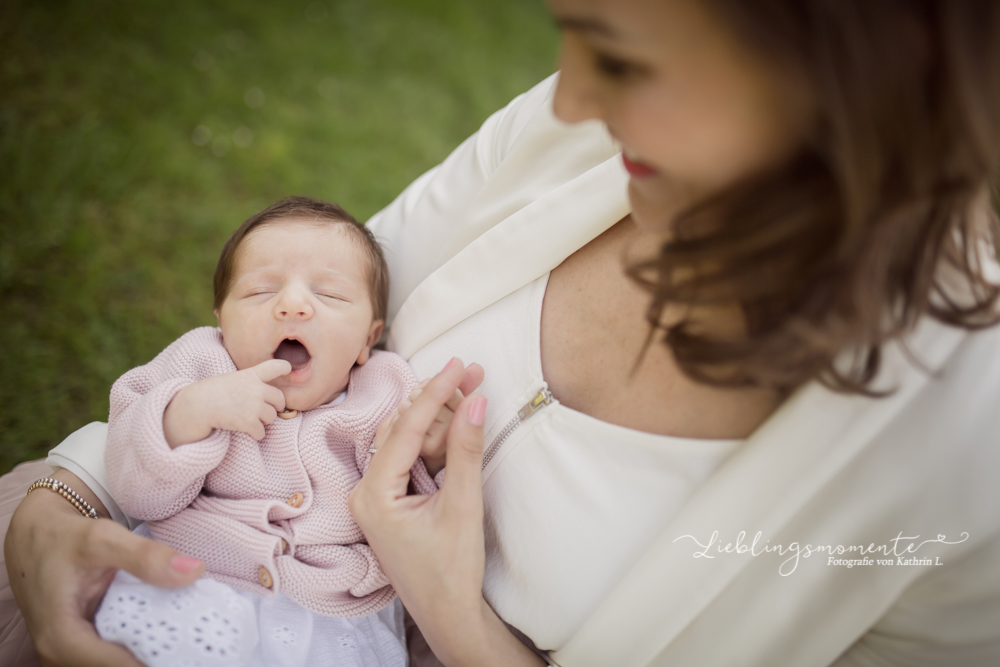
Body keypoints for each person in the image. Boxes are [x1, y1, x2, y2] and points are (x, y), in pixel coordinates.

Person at [4, 0, 1000, 665]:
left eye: (617, 57)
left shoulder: (963, 445)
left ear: (840, 80)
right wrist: (64, 494)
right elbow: (290, 325)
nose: (570, 100)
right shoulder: (584, 134)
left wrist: (454, 611)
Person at [95, 195, 447, 667]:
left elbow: (415, 520)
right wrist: (189, 413)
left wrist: (431, 456)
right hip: (197, 581)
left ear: (368, 338)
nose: (293, 305)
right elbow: (133, 489)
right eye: (261, 291)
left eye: (330, 295)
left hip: (328, 615)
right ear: (220, 318)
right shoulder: (201, 365)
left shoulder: (384, 391)